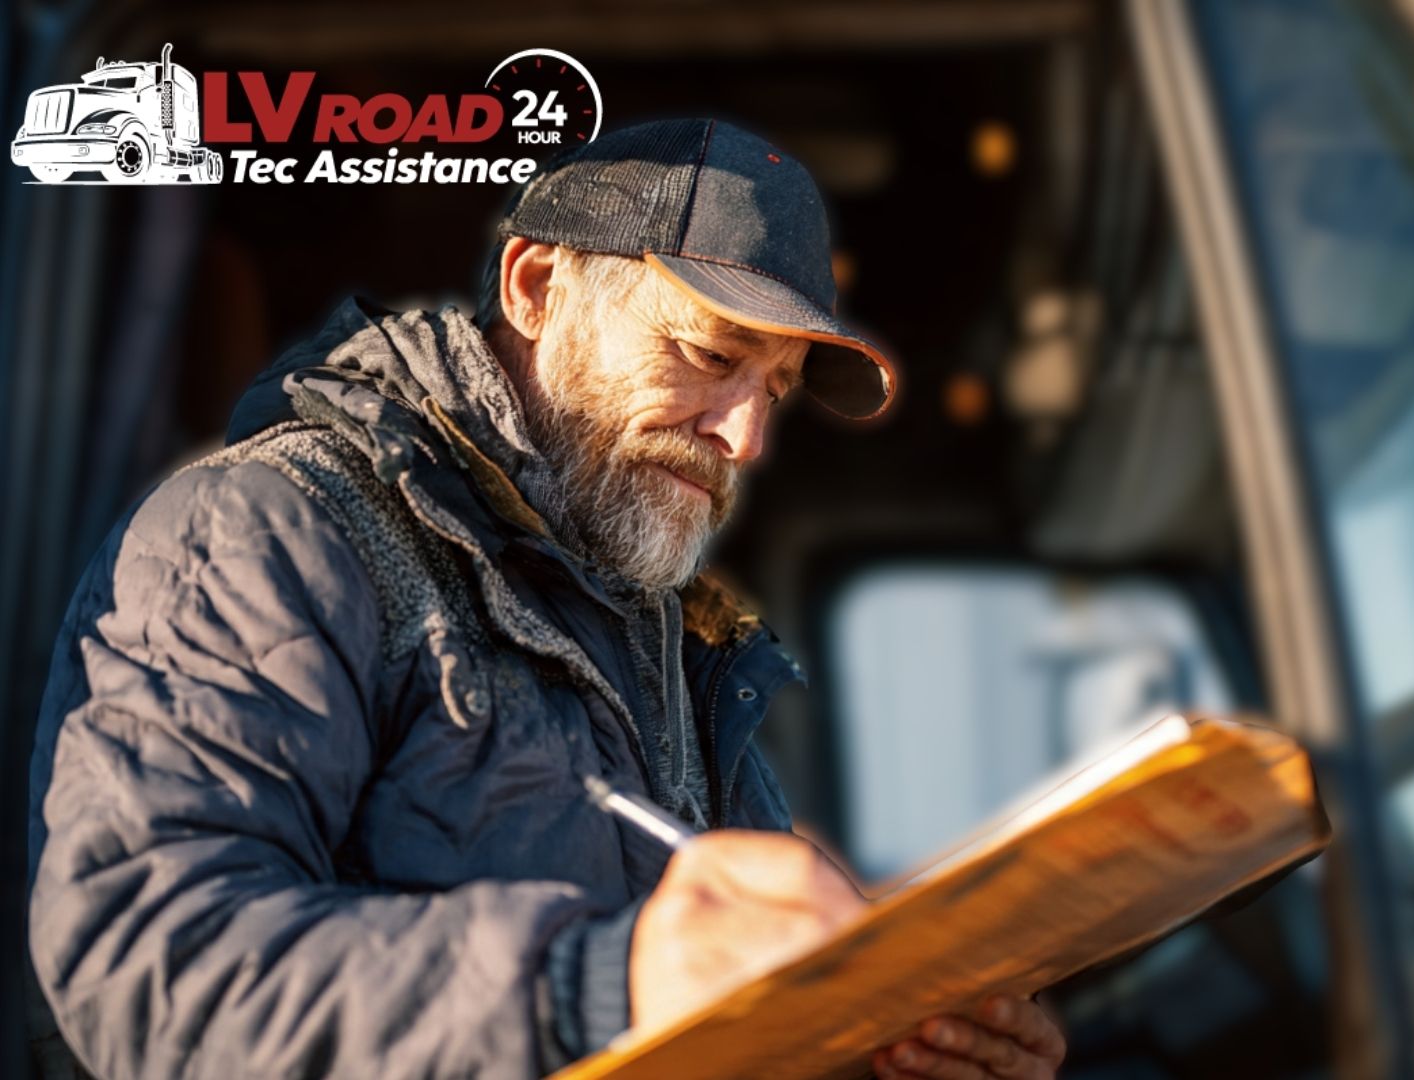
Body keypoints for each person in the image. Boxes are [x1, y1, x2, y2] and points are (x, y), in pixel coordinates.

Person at [27, 118, 1069, 1079]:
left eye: (775, 391)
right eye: (711, 356)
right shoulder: (263, 531)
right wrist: (598, 986)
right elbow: (148, 967)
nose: (746, 437)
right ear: (535, 288)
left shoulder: (676, 644)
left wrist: (885, 1039)